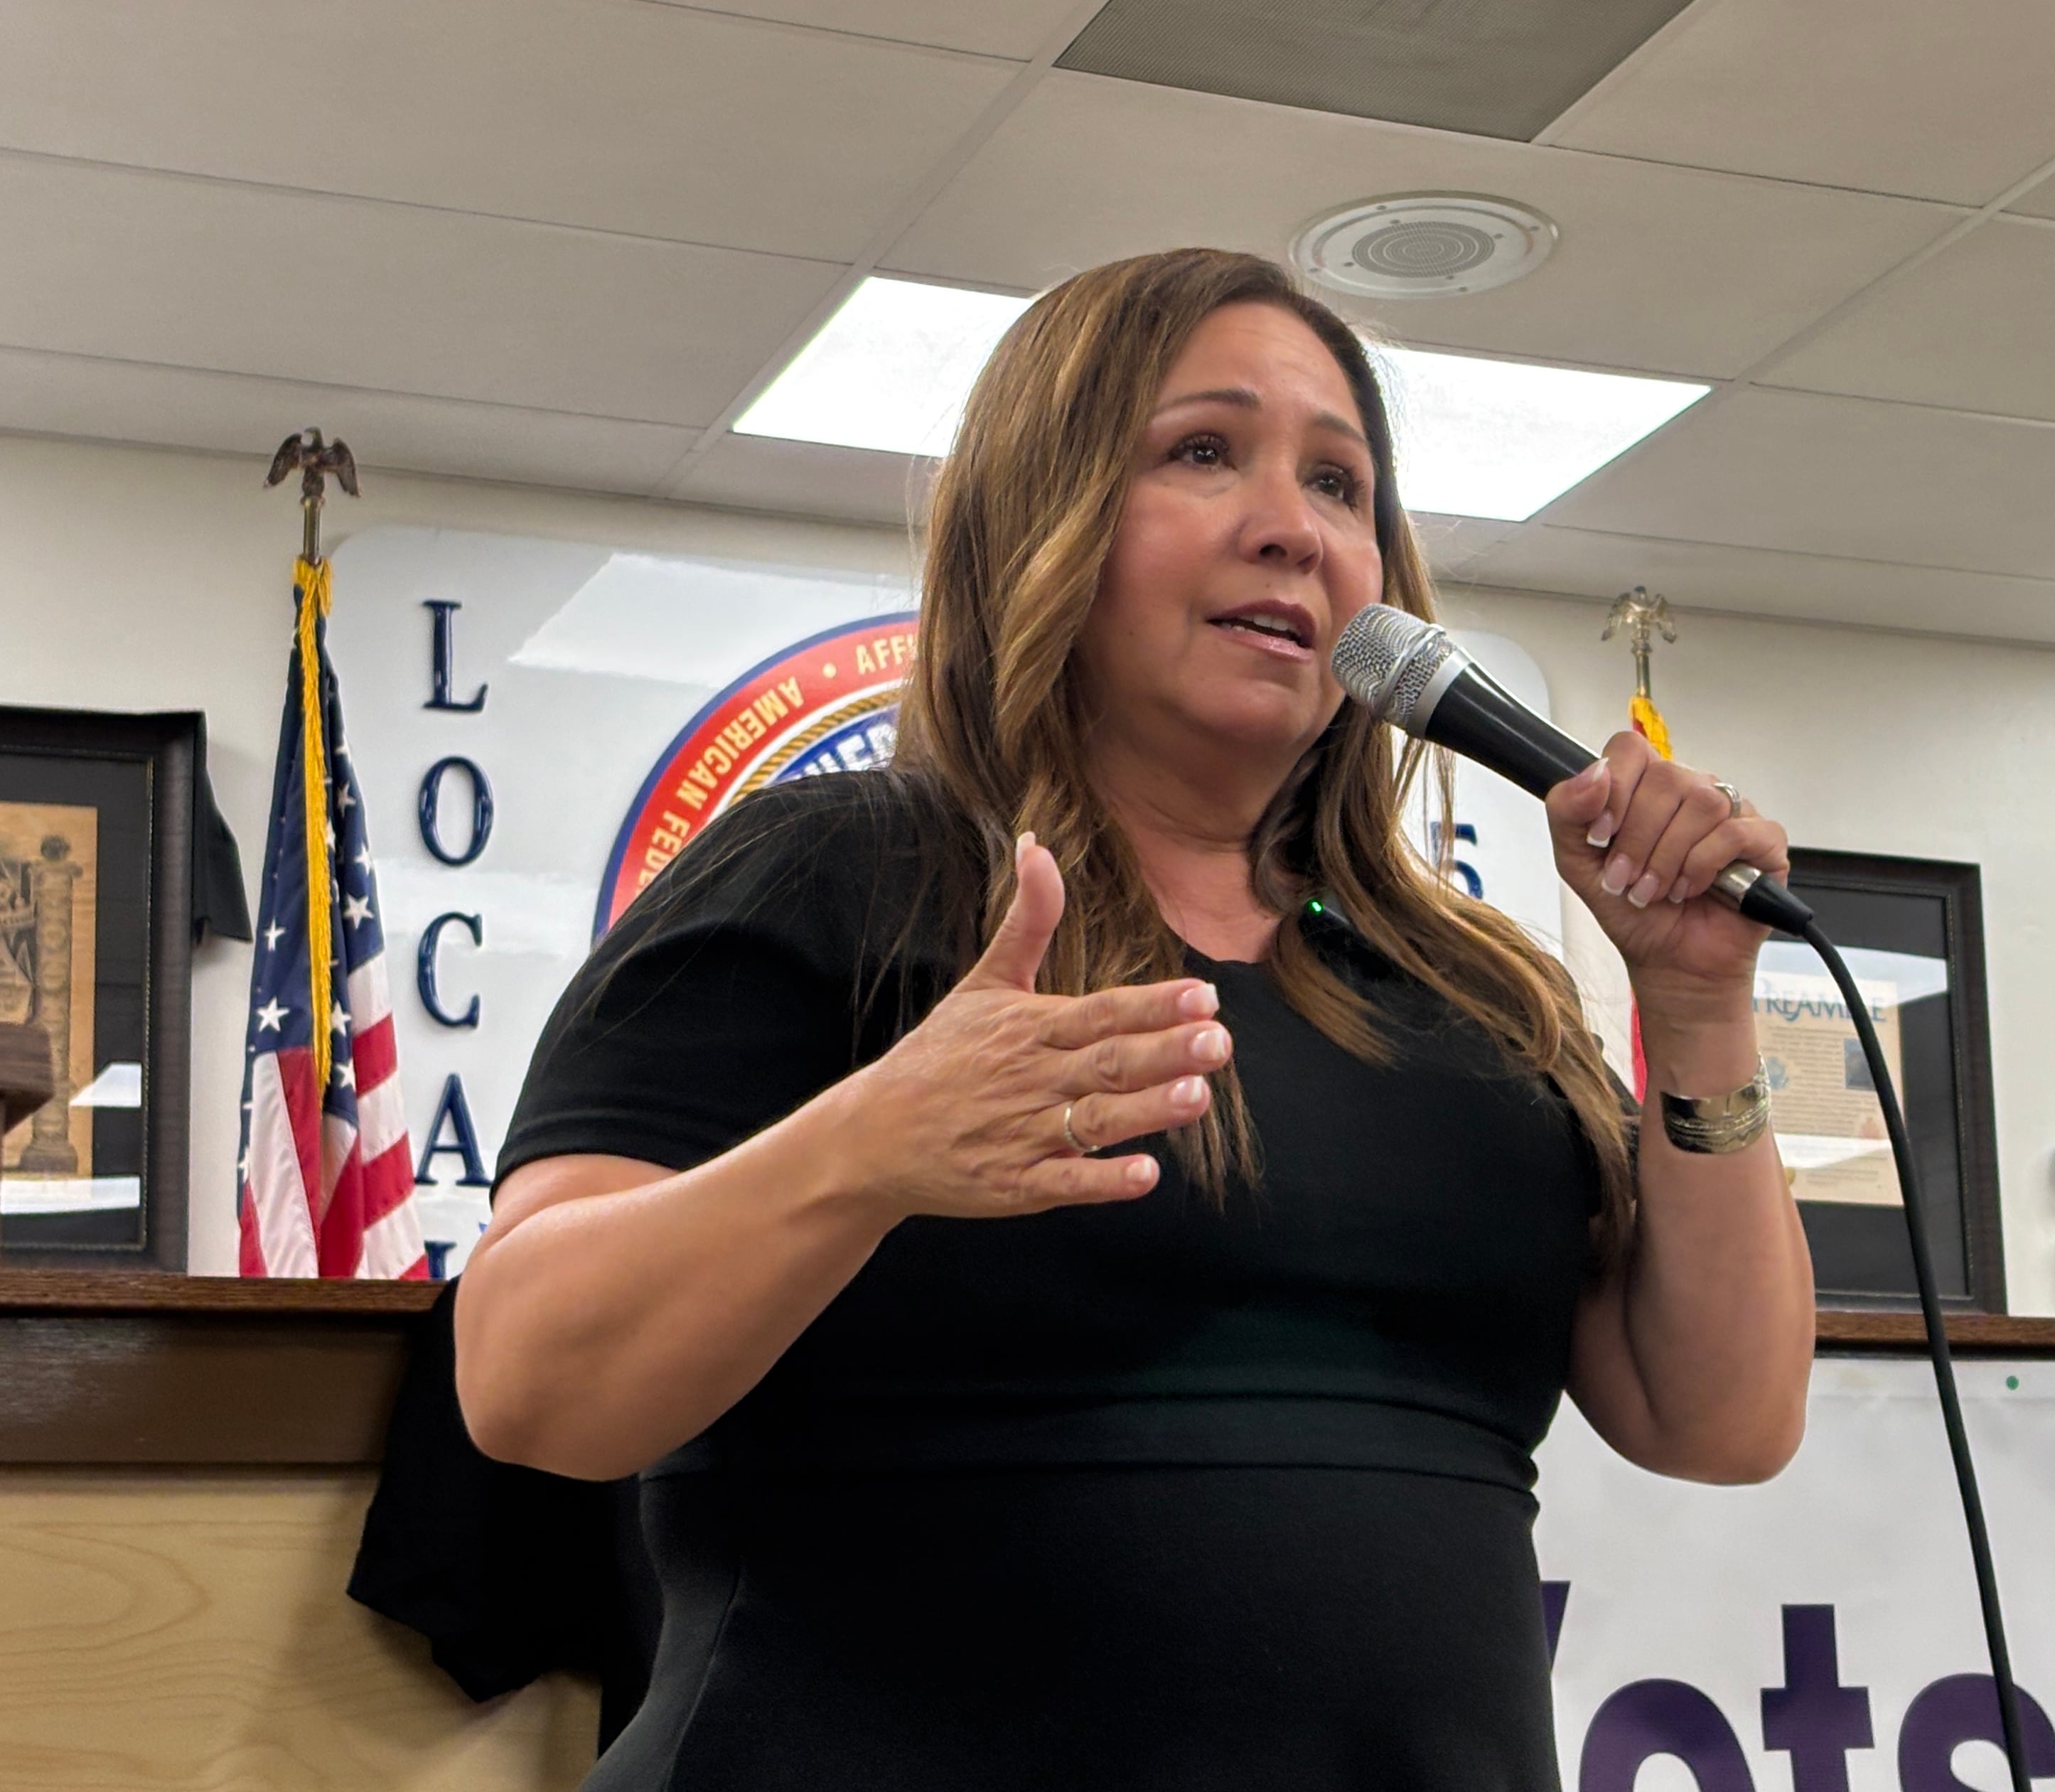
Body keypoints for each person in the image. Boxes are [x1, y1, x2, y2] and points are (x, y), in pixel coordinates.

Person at [454, 247, 1815, 1790]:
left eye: (1339, 483)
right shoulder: (844, 878)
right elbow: (527, 1382)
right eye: (1201, 451)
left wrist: (1696, 1004)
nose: (1290, 527)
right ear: (1043, 522)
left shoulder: (1469, 989)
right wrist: (864, 1153)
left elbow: (1720, 1415)